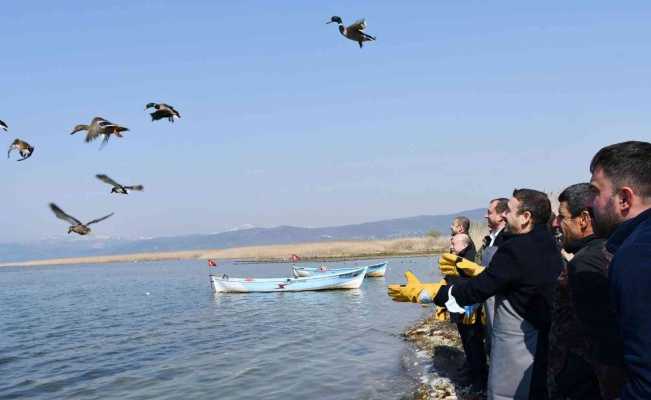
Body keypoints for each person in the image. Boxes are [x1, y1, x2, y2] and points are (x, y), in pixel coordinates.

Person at [435, 189, 563, 399]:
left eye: (510, 211)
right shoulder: (548, 241)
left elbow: (479, 288)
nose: (505, 215)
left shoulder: (516, 248)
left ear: (526, 217)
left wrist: (438, 294)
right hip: (542, 332)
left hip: (518, 340)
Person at [548, 183, 625, 399]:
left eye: (562, 216)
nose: (556, 223)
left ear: (583, 219)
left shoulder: (586, 264)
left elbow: (601, 342)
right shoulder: (611, 251)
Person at [589, 141, 651, 400]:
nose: (591, 203)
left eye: (596, 192)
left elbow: (646, 382)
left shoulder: (638, 255)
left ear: (624, 199)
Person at [448, 233, 488, 391]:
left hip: (470, 310)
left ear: (464, 245)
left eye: (454, 244)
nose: (451, 246)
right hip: (458, 308)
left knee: (474, 345)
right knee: (467, 343)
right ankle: (471, 372)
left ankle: (479, 380)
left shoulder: (470, 259)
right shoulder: (456, 257)